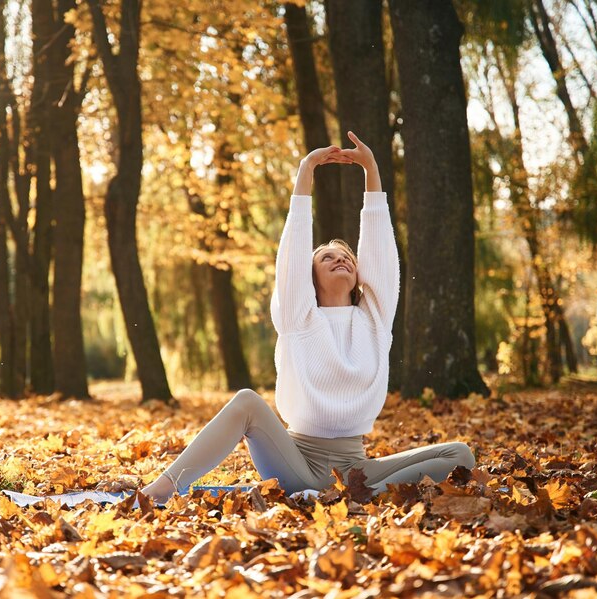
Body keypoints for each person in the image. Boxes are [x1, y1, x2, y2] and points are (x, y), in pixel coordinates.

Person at [141, 131, 474, 503]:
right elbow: (292, 255)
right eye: (326, 258)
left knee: (459, 454)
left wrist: (372, 172)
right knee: (248, 401)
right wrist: (306, 171)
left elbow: (381, 252)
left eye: (346, 256)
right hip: (296, 463)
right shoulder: (298, 317)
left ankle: (353, 496)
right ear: (309, 278)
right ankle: (163, 487)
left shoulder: (375, 320)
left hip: (356, 468)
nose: (340, 259)